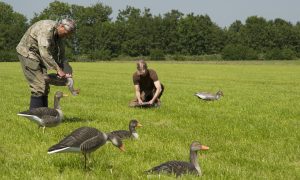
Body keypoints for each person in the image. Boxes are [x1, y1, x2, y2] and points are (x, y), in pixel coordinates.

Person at [16, 18, 76, 110]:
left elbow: (62, 55)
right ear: (61, 26)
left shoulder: (59, 36)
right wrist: (58, 70)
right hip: (28, 53)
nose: (66, 36)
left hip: (39, 56)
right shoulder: (46, 29)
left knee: (45, 86)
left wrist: (67, 71)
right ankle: (35, 116)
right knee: (39, 86)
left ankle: (45, 115)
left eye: (69, 35)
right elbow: (45, 53)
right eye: (66, 33)